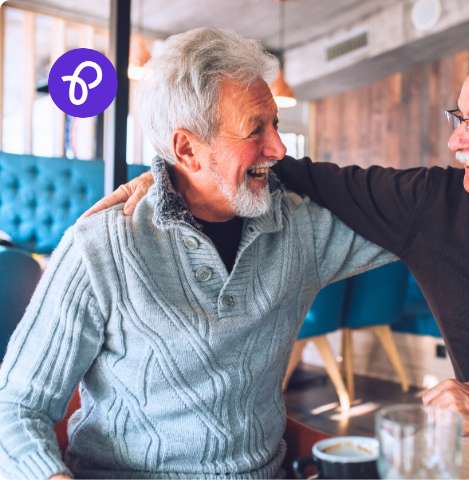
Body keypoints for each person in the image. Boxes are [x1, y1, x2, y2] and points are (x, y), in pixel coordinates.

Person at [103, 39, 469, 477]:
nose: (457, 140)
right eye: (459, 118)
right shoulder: (429, 204)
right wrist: (169, 177)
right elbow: (286, 167)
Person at [0, 28, 396, 480]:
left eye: (276, 125)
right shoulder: (101, 247)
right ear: (186, 149)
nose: (281, 149)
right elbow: (15, 408)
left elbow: (413, 222)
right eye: (255, 130)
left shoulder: (299, 228)